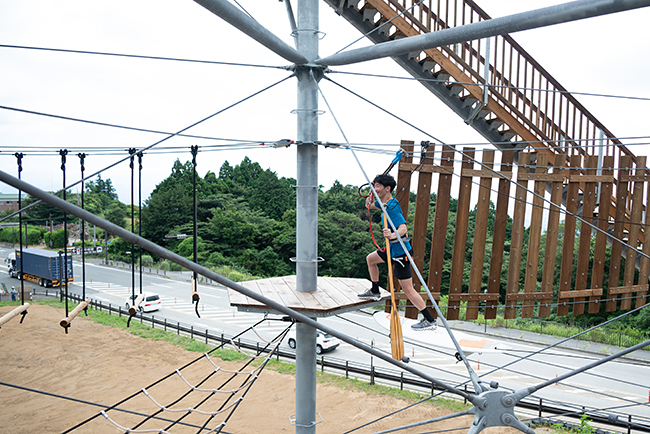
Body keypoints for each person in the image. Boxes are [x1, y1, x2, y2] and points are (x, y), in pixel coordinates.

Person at [358, 174, 437, 331]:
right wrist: (372, 192)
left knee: (408, 289)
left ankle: (429, 320)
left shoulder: (392, 207)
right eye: (375, 186)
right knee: (371, 259)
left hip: (401, 252)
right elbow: (369, 205)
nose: (375, 188)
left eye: (378, 186)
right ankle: (375, 290)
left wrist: (392, 235)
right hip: (392, 249)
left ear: (387, 188)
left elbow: (403, 228)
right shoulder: (384, 203)